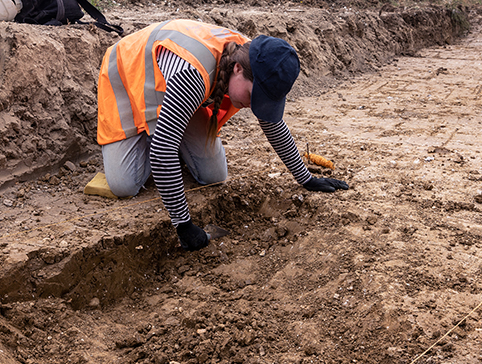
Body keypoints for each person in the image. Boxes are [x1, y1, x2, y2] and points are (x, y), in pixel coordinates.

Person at [97, 18, 348, 250]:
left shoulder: (255, 60)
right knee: (125, 184)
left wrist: (305, 178)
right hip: (128, 76)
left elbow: (272, 123)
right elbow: (162, 151)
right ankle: (152, 135)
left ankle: (170, 130)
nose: (253, 105)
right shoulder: (192, 76)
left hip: (173, 89)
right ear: (237, 69)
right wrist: (183, 225)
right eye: (252, 97)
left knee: (213, 175)